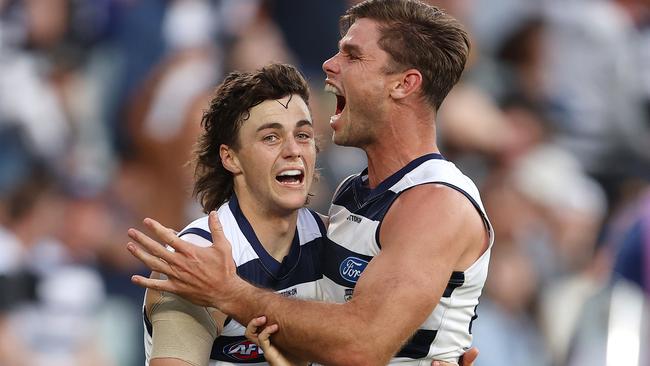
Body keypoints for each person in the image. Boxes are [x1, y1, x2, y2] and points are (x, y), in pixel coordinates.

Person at [128, 0, 493, 364]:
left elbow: (360, 344)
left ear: (403, 84)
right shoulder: (348, 200)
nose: (329, 65)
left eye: (352, 56)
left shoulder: (436, 202)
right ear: (230, 157)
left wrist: (230, 293)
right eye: (270, 137)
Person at [140, 63, 327, 365]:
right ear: (231, 158)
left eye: (303, 135)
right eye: (271, 137)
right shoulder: (197, 259)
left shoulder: (336, 240)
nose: (293, 150)